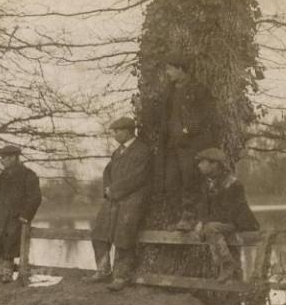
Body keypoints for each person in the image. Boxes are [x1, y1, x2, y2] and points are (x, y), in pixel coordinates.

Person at [86, 117, 152, 292]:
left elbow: (138, 177)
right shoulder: (117, 153)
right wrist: (108, 190)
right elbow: (107, 172)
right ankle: (103, 270)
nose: (114, 135)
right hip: (114, 198)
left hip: (133, 199)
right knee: (99, 231)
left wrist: (114, 190)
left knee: (124, 235)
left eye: (117, 131)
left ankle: (121, 276)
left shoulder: (142, 151)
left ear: (128, 131)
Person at [161, 54, 214, 230]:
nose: (167, 72)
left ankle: (189, 219)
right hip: (173, 145)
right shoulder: (170, 91)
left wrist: (188, 130)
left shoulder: (199, 90)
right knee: (170, 183)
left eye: (169, 68)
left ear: (180, 69)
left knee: (190, 181)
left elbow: (208, 116)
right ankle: (177, 219)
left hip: (191, 145)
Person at [192, 147, 260, 282]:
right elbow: (203, 207)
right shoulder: (207, 183)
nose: (199, 165)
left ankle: (227, 264)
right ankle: (226, 269)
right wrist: (200, 221)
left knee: (210, 229)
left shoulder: (233, 184)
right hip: (221, 224)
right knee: (208, 229)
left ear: (214, 164)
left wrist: (205, 223)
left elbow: (227, 213)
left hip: (238, 223)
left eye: (202, 162)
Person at [0, 145, 42, 283]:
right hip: (3, 215)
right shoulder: (3, 175)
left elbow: (35, 197)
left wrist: (25, 215)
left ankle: (8, 273)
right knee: (0, 242)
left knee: (10, 243)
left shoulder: (28, 175)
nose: (2, 161)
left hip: (17, 217)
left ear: (13, 158)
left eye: (4, 158)